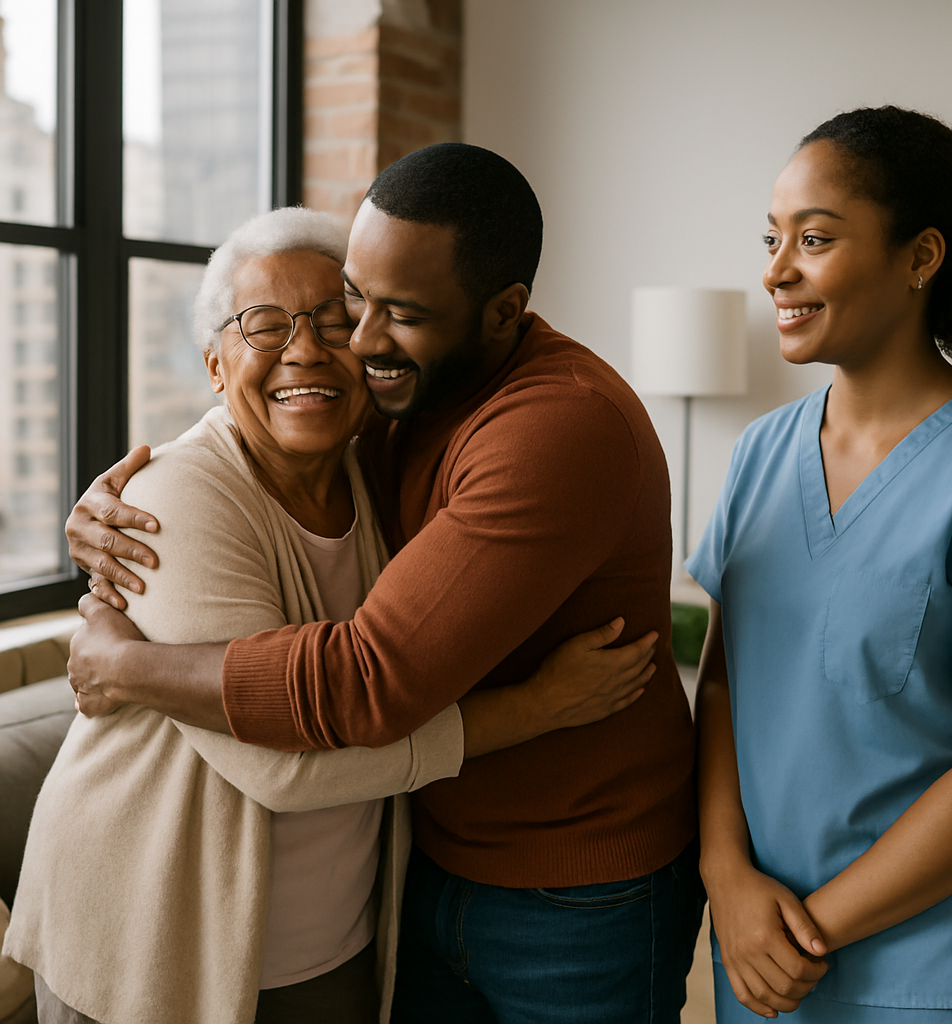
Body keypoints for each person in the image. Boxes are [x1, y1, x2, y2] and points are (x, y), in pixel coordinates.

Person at [63, 143, 703, 1022]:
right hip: (430, 866)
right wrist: (113, 497)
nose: (356, 344)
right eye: (356, 299)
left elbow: (365, 681)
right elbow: (257, 430)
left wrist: (127, 669)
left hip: (574, 892)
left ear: (503, 311)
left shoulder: (556, 427)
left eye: (388, 313)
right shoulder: (403, 404)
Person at [688, 106, 952, 1023]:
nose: (777, 269)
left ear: (922, 257)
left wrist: (805, 933)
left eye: (815, 238)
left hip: (928, 971)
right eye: (772, 237)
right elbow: (721, 688)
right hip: (761, 962)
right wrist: (726, 880)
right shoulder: (761, 453)